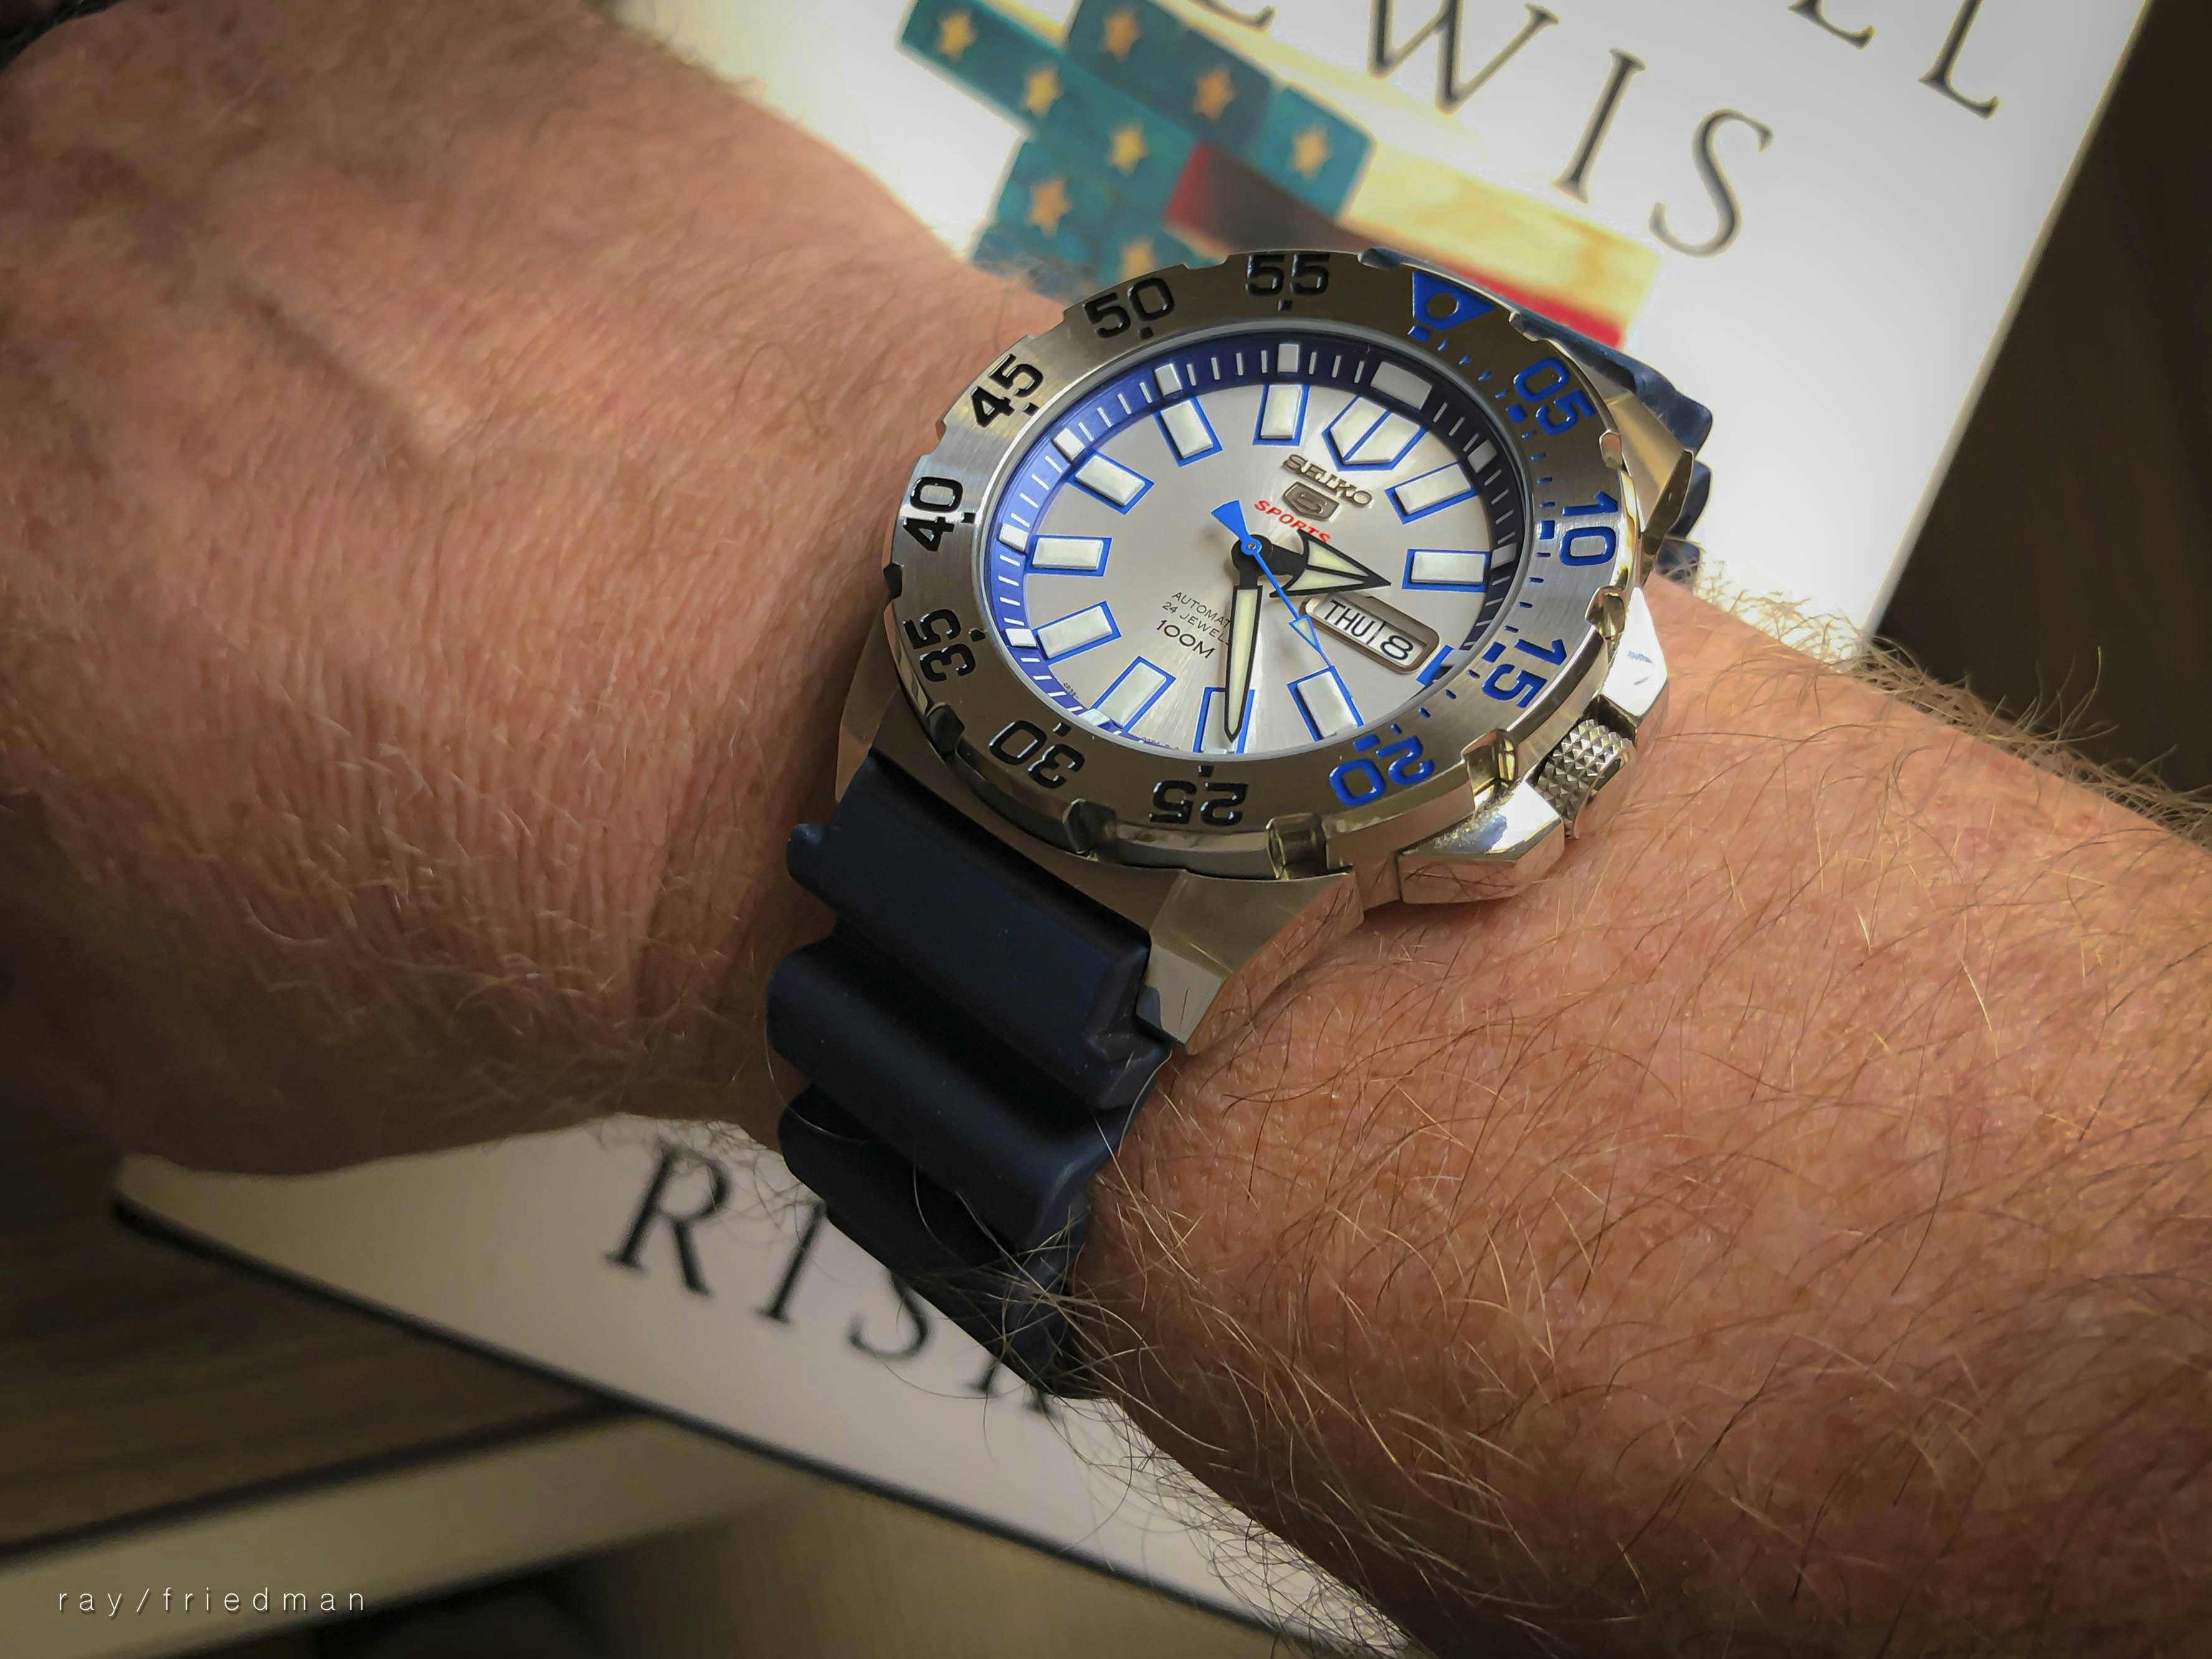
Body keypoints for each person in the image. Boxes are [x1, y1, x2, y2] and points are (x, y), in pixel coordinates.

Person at [4, 1, 2208, 1651]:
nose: (1282, 550)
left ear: (1554, 763)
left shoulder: (1501, 744)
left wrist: (687, 750)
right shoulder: (1173, 500)